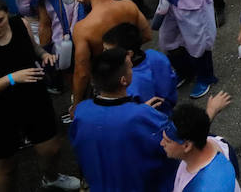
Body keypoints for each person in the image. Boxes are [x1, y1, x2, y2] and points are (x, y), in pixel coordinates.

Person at [0, 0, 81, 191]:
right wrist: (11, 78)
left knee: (51, 149)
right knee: (7, 167)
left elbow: (34, 48)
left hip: (32, 99)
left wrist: (45, 56)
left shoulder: (20, 24)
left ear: (7, 15)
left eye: (0, 20)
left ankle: (50, 178)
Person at [69, 47, 176, 191]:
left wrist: (137, 110)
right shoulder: (141, 116)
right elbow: (176, 142)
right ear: (124, 80)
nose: (132, 68)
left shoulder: (82, 111)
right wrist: (209, 112)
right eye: (130, 67)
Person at [69, 0, 153, 109]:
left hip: (108, 83)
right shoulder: (128, 6)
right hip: (135, 71)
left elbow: (82, 72)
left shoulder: (83, 28)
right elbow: (147, 35)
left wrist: (77, 103)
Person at [31, 0, 90, 93]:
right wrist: (45, 52)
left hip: (90, 44)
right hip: (64, 47)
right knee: (73, 82)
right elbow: (45, 23)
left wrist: (91, 1)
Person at [160, 98, 241, 192]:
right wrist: (211, 110)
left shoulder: (203, 187)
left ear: (187, 146)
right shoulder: (217, 142)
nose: (162, 143)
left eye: (168, 141)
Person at [102, 21, 177, 113]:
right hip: (167, 111)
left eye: (107, 51)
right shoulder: (157, 56)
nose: (103, 54)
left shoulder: (128, 83)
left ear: (129, 54)